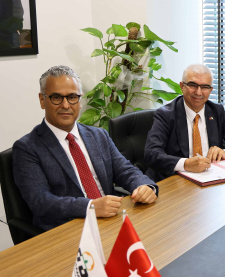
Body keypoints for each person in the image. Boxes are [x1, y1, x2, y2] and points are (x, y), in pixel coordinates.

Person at [13, 66, 158, 231]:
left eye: (72, 97)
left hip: (110, 221)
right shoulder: (27, 148)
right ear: (42, 100)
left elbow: (125, 170)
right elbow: (41, 202)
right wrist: (91, 206)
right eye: (56, 97)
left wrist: (144, 186)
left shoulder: (98, 135)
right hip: (68, 229)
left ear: (80, 100)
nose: (65, 105)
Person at [144, 64, 225, 180]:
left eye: (205, 87)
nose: (198, 92)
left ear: (210, 90)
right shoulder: (166, 115)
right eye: (193, 85)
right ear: (182, 86)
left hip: (210, 178)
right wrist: (186, 164)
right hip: (174, 180)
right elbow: (151, 154)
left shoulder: (216, 111)